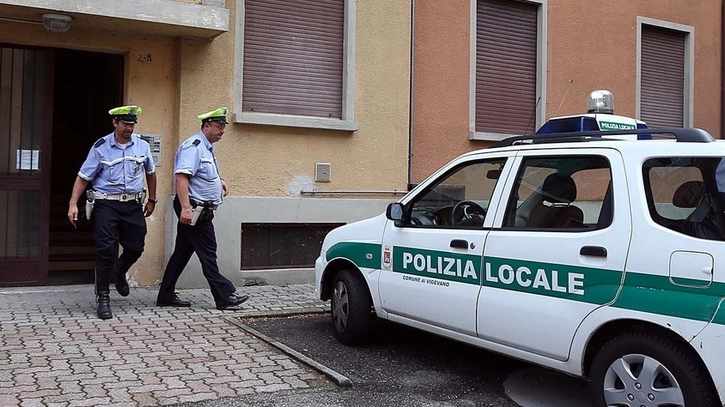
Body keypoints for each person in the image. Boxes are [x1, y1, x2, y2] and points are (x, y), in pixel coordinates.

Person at [67, 105, 158, 320]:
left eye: (132, 124)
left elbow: (151, 173)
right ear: (115, 123)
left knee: (136, 247)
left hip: (133, 205)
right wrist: (72, 203)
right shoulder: (101, 147)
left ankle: (119, 271)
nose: (129, 128)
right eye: (125, 124)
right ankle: (103, 296)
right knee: (105, 250)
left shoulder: (142, 146)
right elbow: (83, 177)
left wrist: (152, 200)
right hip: (107, 204)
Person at [156, 107, 249, 310]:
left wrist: (220, 181)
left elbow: (203, 173)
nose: (222, 131)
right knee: (208, 254)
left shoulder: (207, 147)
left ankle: (165, 295)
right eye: (218, 126)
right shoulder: (194, 146)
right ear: (206, 126)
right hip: (195, 209)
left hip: (198, 209)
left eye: (223, 126)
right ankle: (224, 296)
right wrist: (186, 209)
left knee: (181, 253)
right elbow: (181, 177)